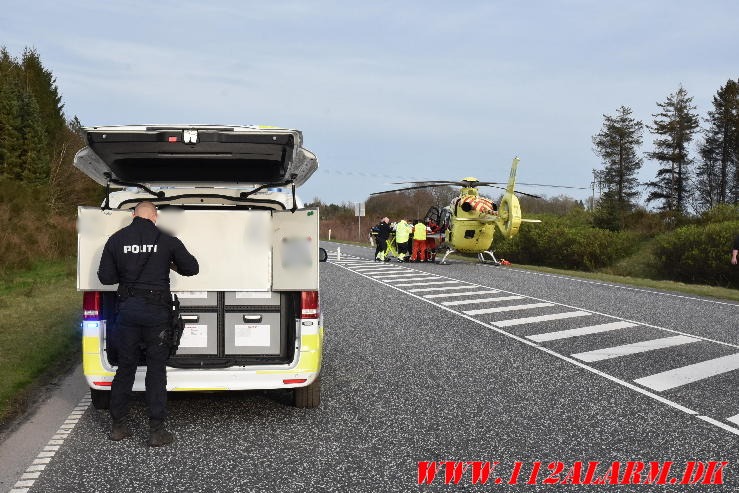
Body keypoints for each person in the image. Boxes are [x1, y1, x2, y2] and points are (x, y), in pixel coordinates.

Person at [97, 201, 199, 447]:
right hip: (157, 314)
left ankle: (119, 427)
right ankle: (156, 431)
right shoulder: (166, 239)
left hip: (127, 313)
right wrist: (169, 263)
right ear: (154, 216)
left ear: (133, 215)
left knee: (126, 368)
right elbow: (192, 268)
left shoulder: (116, 239)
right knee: (156, 371)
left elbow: (106, 277)